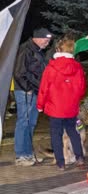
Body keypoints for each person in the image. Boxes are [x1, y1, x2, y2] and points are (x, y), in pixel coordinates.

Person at [36, 36, 87, 171]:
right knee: (73, 132)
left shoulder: (51, 67)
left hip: (55, 108)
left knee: (56, 134)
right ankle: (79, 158)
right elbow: (82, 89)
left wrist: (40, 105)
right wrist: (75, 99)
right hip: (71, 107)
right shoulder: (78, 67)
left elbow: (44, 88)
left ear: (58, 49)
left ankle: (60, 162)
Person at [12, 28, 52, 166]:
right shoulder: (25, 50)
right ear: (38, 38)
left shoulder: (38, 52)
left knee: (32, 122)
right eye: (46, 41)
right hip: (25, 91)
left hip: (35, 91)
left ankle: (28, 154)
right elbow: (18, 73)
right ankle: (20, 156)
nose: (47, 43)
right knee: (24, 122)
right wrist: (27, 88)